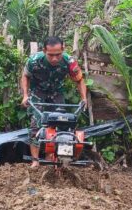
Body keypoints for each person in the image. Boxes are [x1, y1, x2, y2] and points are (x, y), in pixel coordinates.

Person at [20, 36, 88, 168]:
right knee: (36, 124)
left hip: (57, 92)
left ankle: (51, 157)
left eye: (58, 54)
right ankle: (35, 160)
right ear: (44, 50)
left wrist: (84, 98)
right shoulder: (34, 61)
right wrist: (25, 95)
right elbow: (25, 76)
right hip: (38, 92)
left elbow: (79, 80)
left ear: (63, 49)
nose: (55, 58)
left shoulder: (69, 62)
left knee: (61, 122)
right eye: (51, 55)